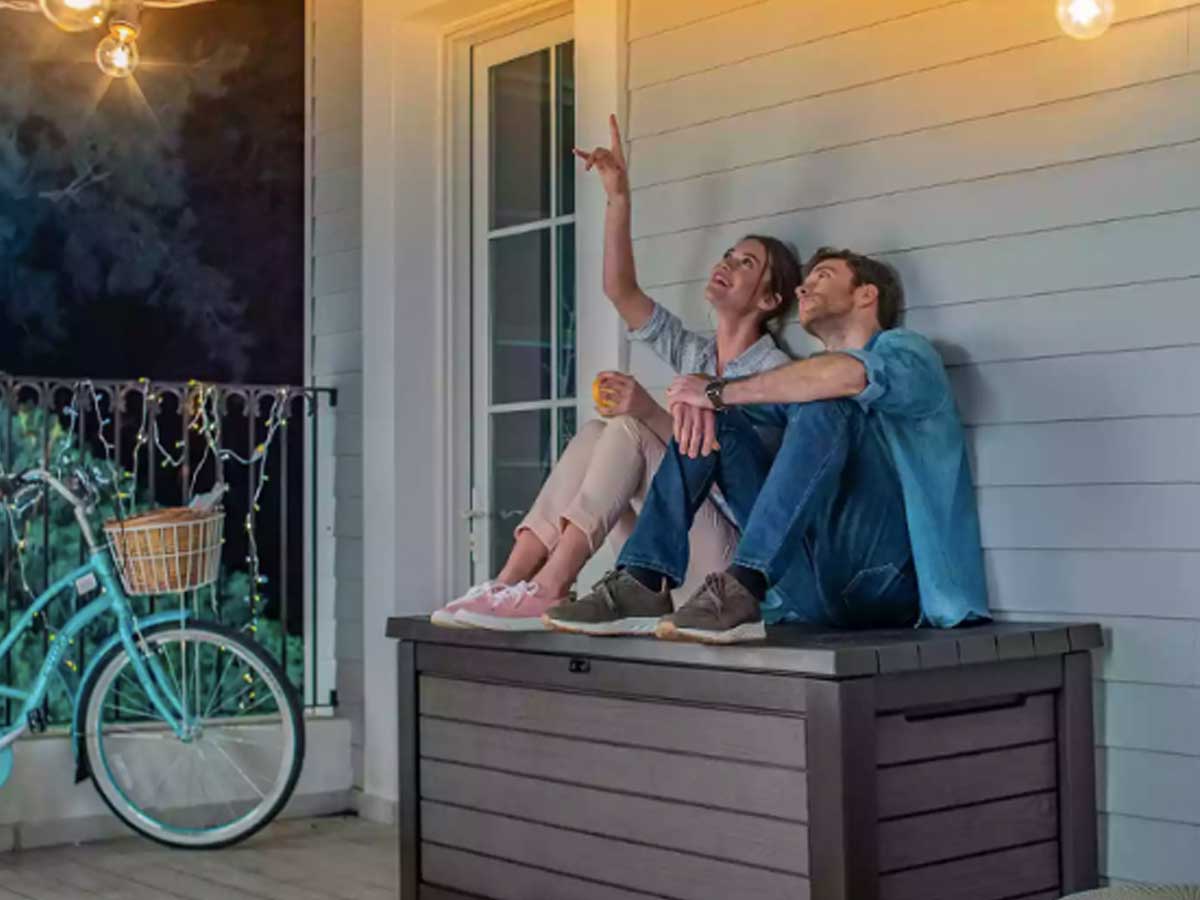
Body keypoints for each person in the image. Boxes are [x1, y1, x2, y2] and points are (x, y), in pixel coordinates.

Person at [431, 116, 802, 631]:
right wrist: (617, 198)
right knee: (593, 433)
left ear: (769, 299)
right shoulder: (695, 354)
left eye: (746, 263)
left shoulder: (774, 373)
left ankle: (550, 586)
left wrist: (645, 411)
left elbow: (728, 470)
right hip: (674, 548)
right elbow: (621, 293)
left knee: (628, 429)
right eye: (728, 255)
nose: (728, 263)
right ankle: (508, 581)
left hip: (727, 574)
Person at [542, 247, 991, 643]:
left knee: (822, 401)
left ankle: (743, 584)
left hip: (885, 583)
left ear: (866, 295)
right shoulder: (803, 373)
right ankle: (642, 576)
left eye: (822, 276)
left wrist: (716, 391)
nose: (804, 288)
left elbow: (848, 376)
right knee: (720, 418)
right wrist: (706, 399)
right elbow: (748, 403)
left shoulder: (908, 352)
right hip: (806, 590)